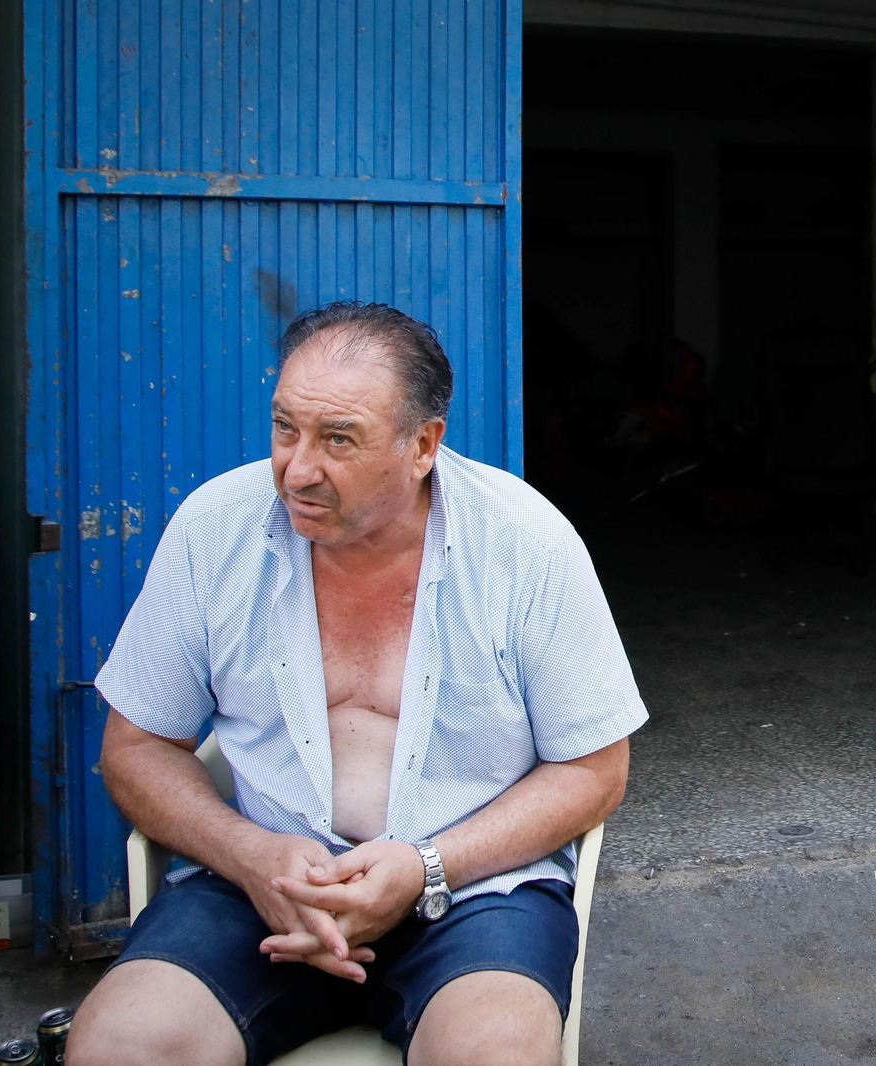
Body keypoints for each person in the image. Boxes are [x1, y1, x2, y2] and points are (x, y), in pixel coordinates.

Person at [66, 302, 648, 1066]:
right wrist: (251, 854)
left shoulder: (526, 547)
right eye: (285, 428)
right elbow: (137, 744)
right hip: (264, 886)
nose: (297, 469)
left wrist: (423, 866)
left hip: (474, 889)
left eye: (338, 439)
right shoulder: (215, 530)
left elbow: (595, 769)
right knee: (117, 1046)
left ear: (422, 446)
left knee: (493, 1053)